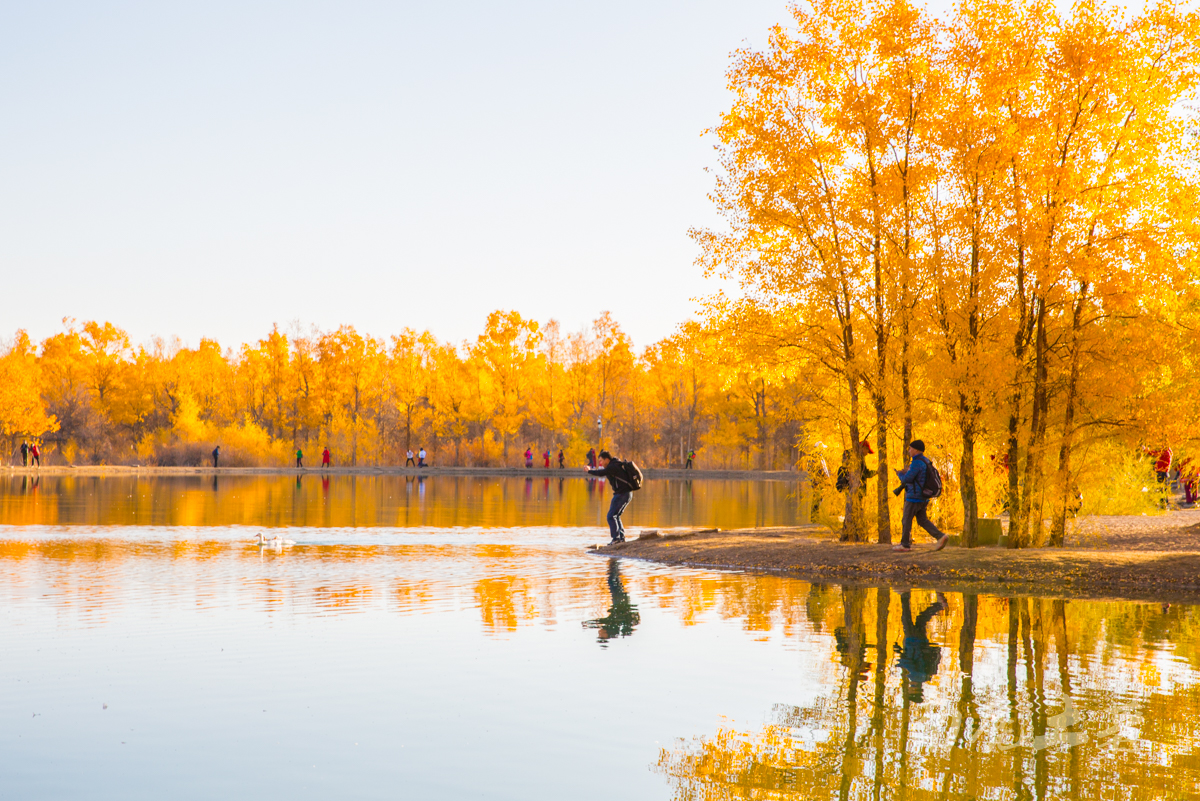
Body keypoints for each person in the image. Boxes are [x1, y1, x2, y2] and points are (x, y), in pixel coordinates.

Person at [893, 439, 949, 552]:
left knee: (906, 520)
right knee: (922, 520)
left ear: (916, 450)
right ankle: (940, 536)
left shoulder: (916, 463)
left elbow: (908, 479)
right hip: (922, 496)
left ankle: (904, 545)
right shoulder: (925, 461)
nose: (909, 451)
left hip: (914, 496)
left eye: (910, 448)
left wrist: (899, 474)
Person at [895, 591, 947, 702]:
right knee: (906, 617)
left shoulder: (925, 677)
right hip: (913, 641)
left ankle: (939, 605)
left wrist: (899, 651)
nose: (908, 689)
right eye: (910, 692)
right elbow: (907, 662)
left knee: (921, 620)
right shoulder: (915, 676)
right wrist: (898, 663)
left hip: (922, 642)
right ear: (914, 691)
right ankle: (904, 593)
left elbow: (911, 659)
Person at [585, 449, 637, 545]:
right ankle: (621, 538)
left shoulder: (612, 466)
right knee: (616, 515)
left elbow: (601, 473)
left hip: (622, 494)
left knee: (610, 516)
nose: (600, 463)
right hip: (626, 493)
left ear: (607, 459)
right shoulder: (615, 464)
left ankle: (616, 539)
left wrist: (589, 471)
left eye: (601, 460)